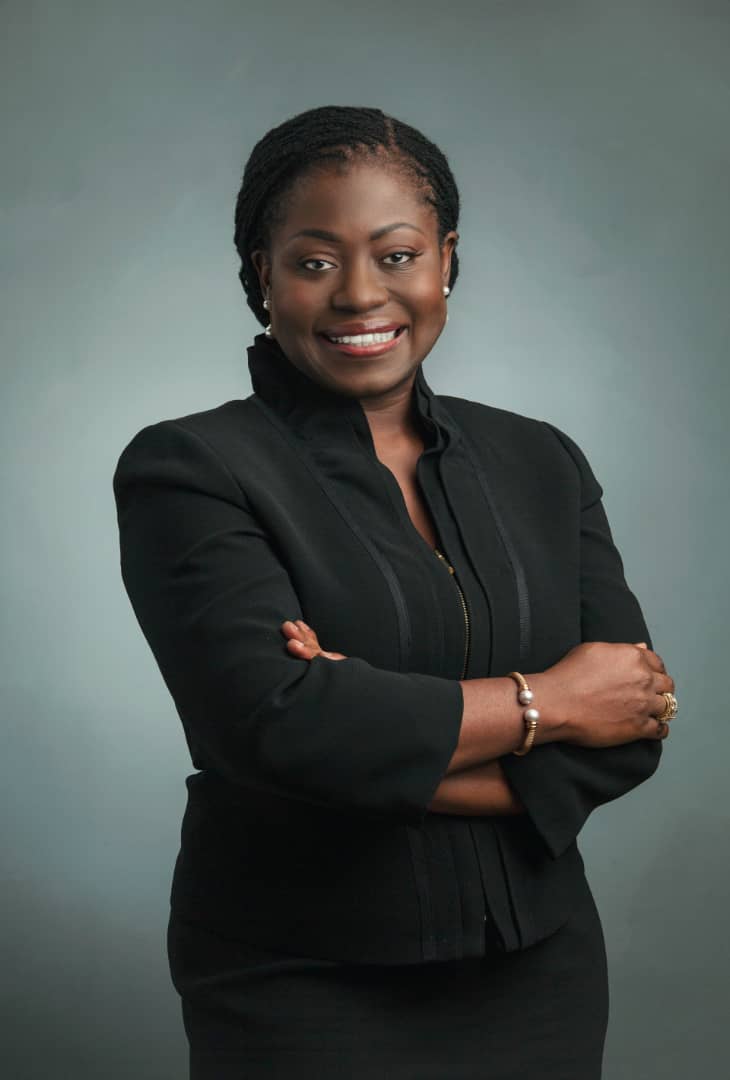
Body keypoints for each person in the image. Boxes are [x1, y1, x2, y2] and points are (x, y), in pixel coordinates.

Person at [113, 105, 677, 1078]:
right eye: (315, 261)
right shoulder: (191, 469)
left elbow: (629, 725)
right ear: (262, 273)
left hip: (538, 968)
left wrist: (369, 742)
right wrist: (550, 704)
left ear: (445, 260)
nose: (360, 294)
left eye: (397, 254)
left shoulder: (540, 461)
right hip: (299, 979)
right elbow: (278, 728)